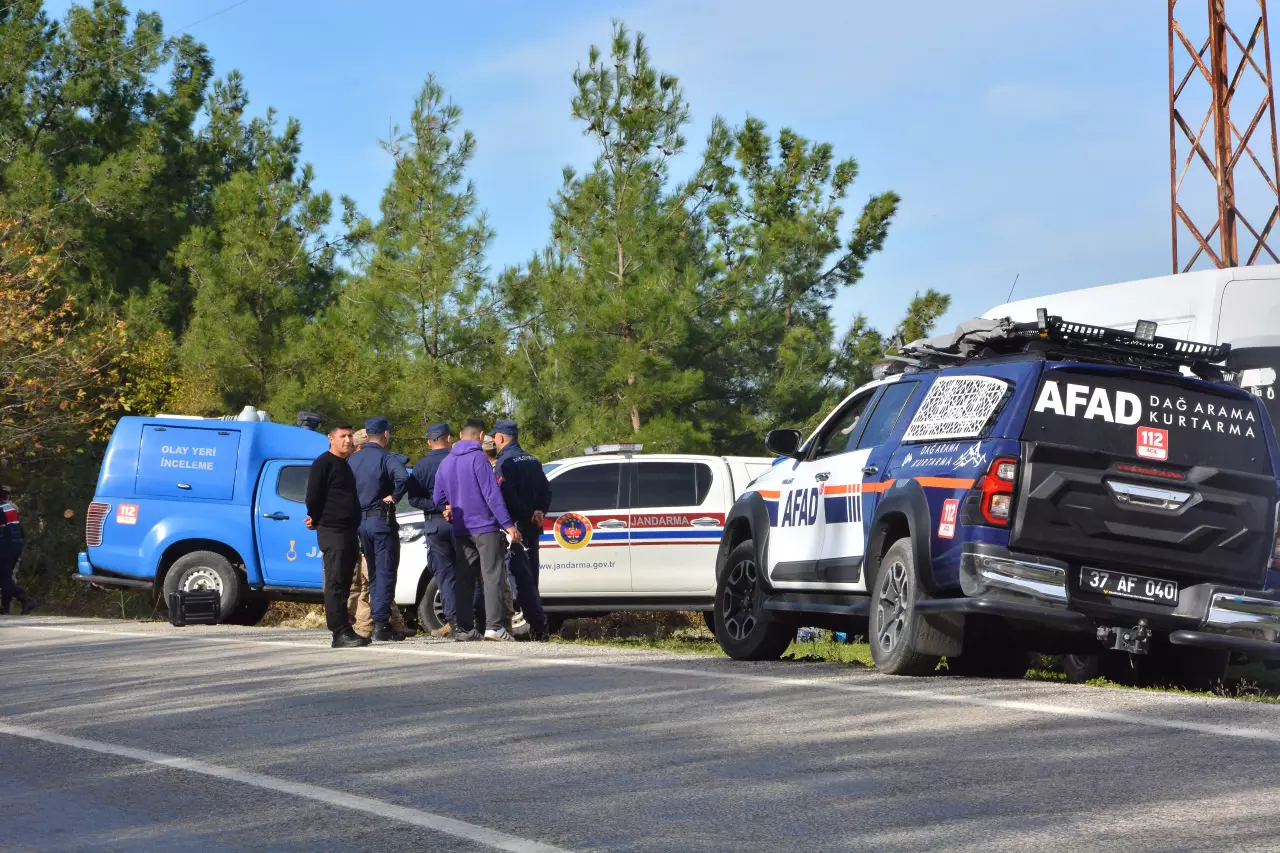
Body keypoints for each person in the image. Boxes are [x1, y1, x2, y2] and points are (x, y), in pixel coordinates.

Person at [433, 418, 521, 642]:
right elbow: (492, 494)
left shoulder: (446, 462)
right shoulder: (479, 458)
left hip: (462, 529)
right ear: (481, 436)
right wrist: (508, 525)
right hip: (485, 526)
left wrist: (448, 507)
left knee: (463, 579)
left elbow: (438, 498)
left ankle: (463, 628)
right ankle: (494, 626)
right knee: (491, 576)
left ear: (461, 436)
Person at [304, 424, 369, 648]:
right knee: (335, 582)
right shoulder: (323, 463)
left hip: (349, 531)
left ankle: (346, 627)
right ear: (331, 439)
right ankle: (339, 632)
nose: (348, 440)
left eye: (350, 436)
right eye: (343, 436)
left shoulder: (344, 464)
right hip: (334, 531)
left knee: (345, 582)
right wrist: (316, 518)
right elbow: (313, 496)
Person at [349, 416, 410, 643]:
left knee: (373, 572)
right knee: (385, 572)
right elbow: (402, 477)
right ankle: (381, 624)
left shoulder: (353, 460)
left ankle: (378, 620)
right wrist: (393, 497)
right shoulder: (386, 458)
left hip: (360, 522)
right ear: (385, 435)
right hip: (381, 521)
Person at [492, 420, 552, 642]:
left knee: (520, 578)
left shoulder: (505, 462)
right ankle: (537, 625)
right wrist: (539, 511)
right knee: (532, 576)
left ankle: (537, 627)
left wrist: (528, 513)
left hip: (516, 527)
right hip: (533, 525)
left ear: (500, 438)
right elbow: (546, 491)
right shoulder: (532, 460)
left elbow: (506, 496)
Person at [409, 422, 461, 638]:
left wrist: (438, 506)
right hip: (462, 521)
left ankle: (455, 621)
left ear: (429, 442)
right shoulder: (459, 461)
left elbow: (414, 499)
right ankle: (472, 619)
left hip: (434, 524)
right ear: (449, 438)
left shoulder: (420, 466)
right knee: (468, 572)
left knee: (445, 575)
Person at [0, 485, 34, 615]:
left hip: (6, 546)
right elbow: (20, 530)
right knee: (6, 577)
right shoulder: (9, 507)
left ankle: (25, 599)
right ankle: (5, 608)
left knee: (3, 578)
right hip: (16, 545)